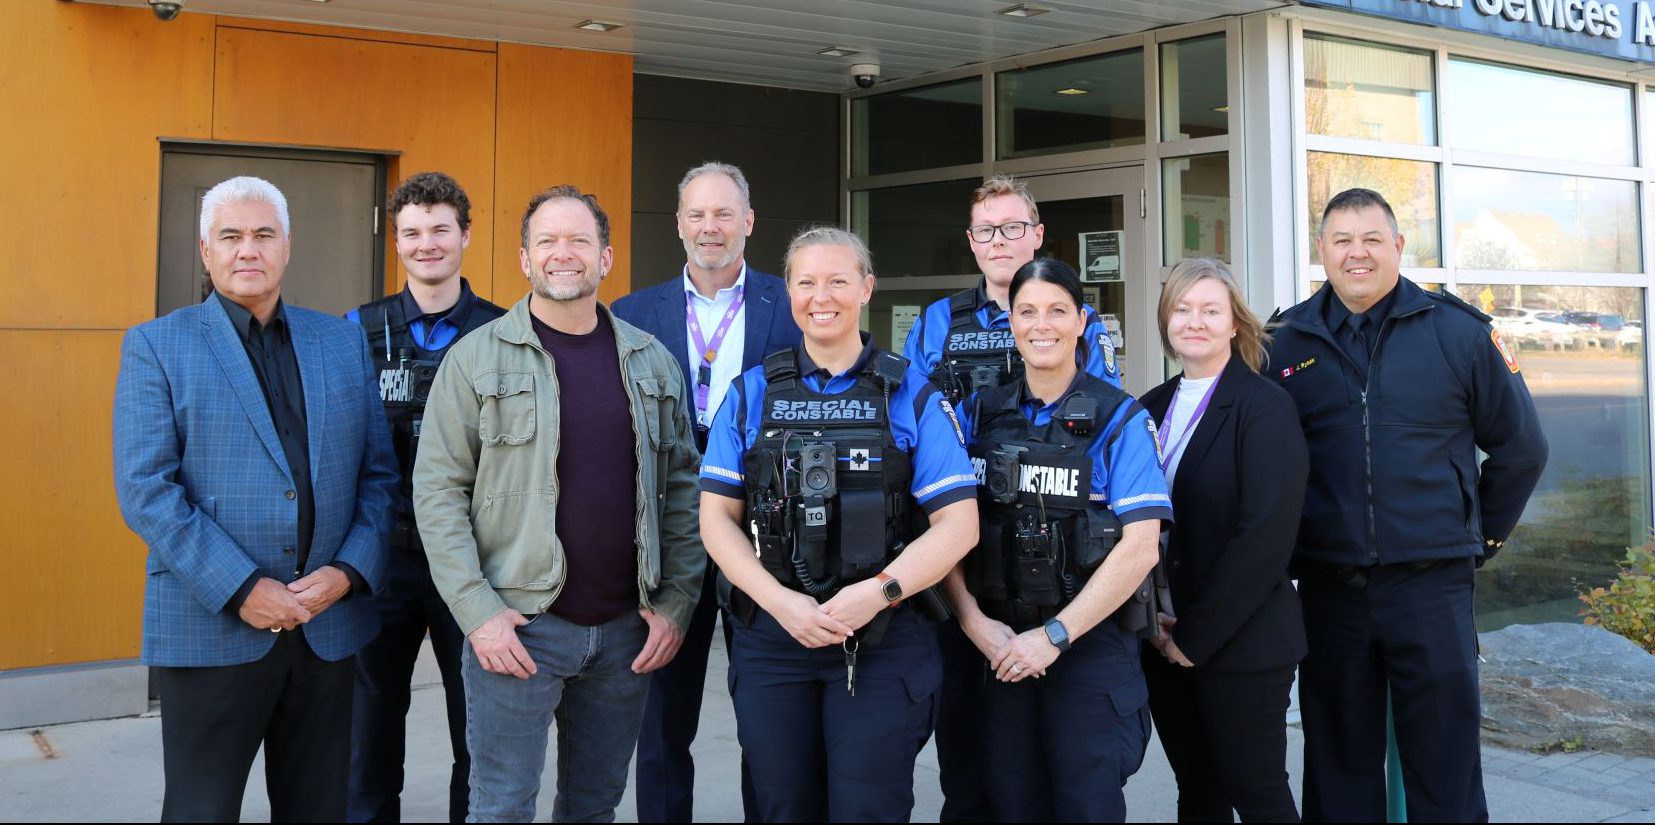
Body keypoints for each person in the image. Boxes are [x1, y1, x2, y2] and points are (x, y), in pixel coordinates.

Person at [412, 185, 704, 823]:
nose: (563, 254)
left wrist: (676, 604)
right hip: (518, 629)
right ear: (524, 258)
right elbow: (436, 495)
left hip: (629, 630)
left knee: (595, 808)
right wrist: (477, 613)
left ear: (605, 258)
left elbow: (683, 492)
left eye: (580, 241)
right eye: (547, 241)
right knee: (501, 808)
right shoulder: (474, 359)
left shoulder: (651, 362)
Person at [113, 175, 398, 822]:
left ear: (287, 246)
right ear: (206, 251)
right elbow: (146, 490)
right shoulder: (158, 345)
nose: (249, 249)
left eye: (263, 234)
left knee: (320, 808)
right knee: (201, 809)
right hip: (213, 626)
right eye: (231, 236)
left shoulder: (339, 340)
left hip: (327, 627)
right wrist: (243, 586)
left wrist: (348, 573)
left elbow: (378, 476)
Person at [1268, 188, 1548, 822]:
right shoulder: (1284, 343)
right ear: (1322, 252)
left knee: (1444, 769)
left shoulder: (1459, 333)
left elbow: (1523, 451)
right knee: (1338, 770)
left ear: (1398, 246)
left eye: (1372, 239)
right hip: (1330, 591)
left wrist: (1480, 541)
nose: (1357, 253)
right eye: (1341, 240)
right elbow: (1260, 467)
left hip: (1433, 588)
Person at [698, 225, 979, 822]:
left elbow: (959, 525)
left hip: (883, 640)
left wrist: (878, 594)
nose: (820, 296)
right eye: (805, 282)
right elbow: (716, 518)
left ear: (867, 288)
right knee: (781, 805)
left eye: (837, 281)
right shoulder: (751, 394)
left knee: (867, 808)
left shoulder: (913, 397)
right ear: (789, 291)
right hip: (776, 637)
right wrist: (779, 602)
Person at [902, 174, 1123, 820]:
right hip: (965, 570)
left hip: (1061, 568)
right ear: (972, 243)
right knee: (968, 768)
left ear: (1037, 234)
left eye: (1013, 227)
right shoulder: (937, 323)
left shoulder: (1080, 321)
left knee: (1067, 773)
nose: (1000, 240)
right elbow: (915, 426)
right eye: (987, 230)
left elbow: (1098, 425)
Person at [946, 258, 1169, 823]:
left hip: (1089, 651)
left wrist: (1055, 636)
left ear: (1081, 321)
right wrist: (974, 622)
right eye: (1026, 312)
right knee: (1009, 804)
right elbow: (946, 529)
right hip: (1000, 648)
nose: (1040, 325)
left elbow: (1141, 547)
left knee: (1086, 807)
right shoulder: (976, 414)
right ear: (1010, 322)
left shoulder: (1120, 418)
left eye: (1056, 311)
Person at [612, 161, 799, 823]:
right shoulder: (631, 313)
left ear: (748, 222)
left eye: (723, 213)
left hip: (767, 539)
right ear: (678, 224)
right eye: (697, 214)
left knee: (767, 723)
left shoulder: (792, 304)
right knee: (660, 720)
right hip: (666, 540)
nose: (709, 227)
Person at [345, 171, 506, 824]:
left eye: (440, 229)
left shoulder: (505, 332)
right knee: (367, 724)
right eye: (412, 232)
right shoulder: (354, 329)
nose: (426, 243)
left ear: (465, 235)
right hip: (381, 561)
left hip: (473, 563)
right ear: (397, 242)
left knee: (479, 725)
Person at [1139, 258, 1307, 823]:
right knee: (1198, 790)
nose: (1195, 321)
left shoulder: (1264, 408)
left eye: (1211, 310)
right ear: (1166, 322)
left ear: (1235, 322)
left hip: (1240, 642)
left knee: (1256, 791)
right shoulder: (1149, 407)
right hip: (1162, 635)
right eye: (1182, 309)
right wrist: (1156, 626)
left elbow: (1265, 539)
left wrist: (1194, 637)